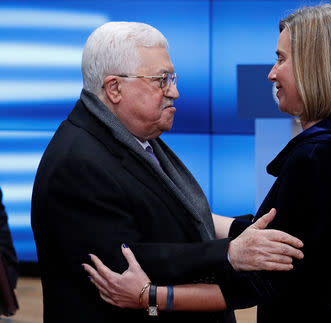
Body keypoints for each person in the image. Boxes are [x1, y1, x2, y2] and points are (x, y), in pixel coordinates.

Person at [85, 4, 331, 323]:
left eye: (281, 58)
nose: (272, 73)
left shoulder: (319, 157)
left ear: (315, 67)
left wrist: (149, 296)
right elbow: (274, 231)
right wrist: (186, 215)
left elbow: (261, 280)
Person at [31, 21, 304, 323]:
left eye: (172, 78)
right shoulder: (77, 162)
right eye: (161, 80)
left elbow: (168, 216)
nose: (174, 92)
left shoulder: (133, 136)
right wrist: (228, 253)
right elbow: (125, 263)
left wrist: (247, 233)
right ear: (114, 88)